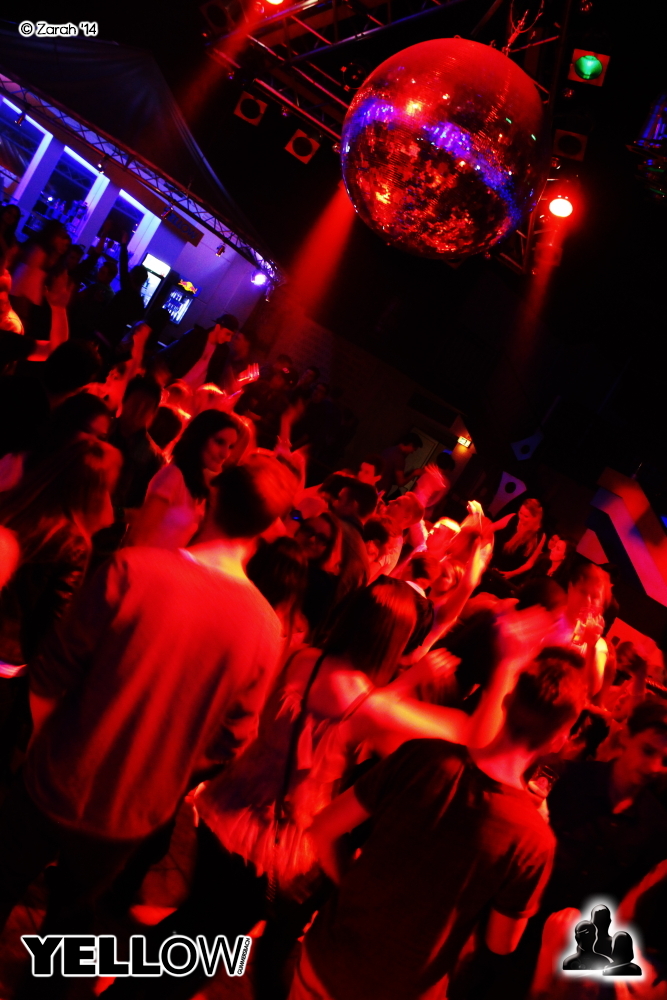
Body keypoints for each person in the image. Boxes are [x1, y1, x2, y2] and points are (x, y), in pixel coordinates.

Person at [0, 454, 297, 994]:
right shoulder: (263, 628)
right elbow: (233, 739)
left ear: (210, 500)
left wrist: (49, 742)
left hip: (56, 777)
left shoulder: (133, 568)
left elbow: (50, 676)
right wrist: (171, 773)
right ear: (265, 528)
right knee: (71, 930)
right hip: (136, 809)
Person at [290, 646, 587, 1000]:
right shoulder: (533, 840)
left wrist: (350, 884)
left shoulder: (423, 757)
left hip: (324, 964)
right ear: (558, 740)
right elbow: (502, 943)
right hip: (404, 989)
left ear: (507, 702)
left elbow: (323, 828)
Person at [0, 439, 120, 781]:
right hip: (9, 664)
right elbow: (52, 623)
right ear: (91, 492)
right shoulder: (71, 542)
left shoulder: (13, 505)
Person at [127, 410, 240, 549]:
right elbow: (137, 537)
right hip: (143, 559)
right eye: (219, 442)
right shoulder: (173, 476)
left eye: (231, 446)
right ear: (199, 437)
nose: (225, 454)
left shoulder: (197, 486)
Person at [109, 375, 164, 512]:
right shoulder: (101, 429)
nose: (139, 411)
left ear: (153, 413)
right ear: (124, 400)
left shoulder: (152, 457)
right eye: (136, 403)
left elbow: (138, 505)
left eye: (147, 407)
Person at [158, 313, 239, 389]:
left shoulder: (223, 352)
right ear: (218, 327)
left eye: (231, 336)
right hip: (173, 387)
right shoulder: (195, 336)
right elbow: (172, 356)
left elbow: (215, 377)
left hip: (193, 395)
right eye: (227, 334)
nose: (229, 339)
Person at [488, 498, 546, 584]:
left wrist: (511, 574)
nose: (521, 517)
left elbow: (529, 563)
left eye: (526, 516)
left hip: (506, 576)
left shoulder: (540, 536)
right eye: (520, 513)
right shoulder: (512, 518)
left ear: (535, 518)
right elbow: (490, 528)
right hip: (490, 564)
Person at [378, 431, 423, 496]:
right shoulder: (399, 458)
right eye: (414, 449)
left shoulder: (390, 449)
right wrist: (414, 473)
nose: (412, 452)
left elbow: (389, 477)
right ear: (410, 444)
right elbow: (400, 483)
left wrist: (407, 474)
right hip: (379, 492)